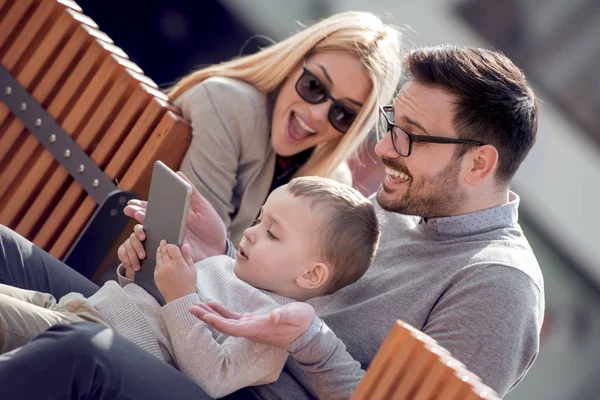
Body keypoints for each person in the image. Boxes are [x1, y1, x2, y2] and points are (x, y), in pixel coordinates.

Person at [0, 45, 544, 400]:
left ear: (479, 163)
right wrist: (224, 254)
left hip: (226, 385)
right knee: (7, 251)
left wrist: (311, 339)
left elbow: (301, 333)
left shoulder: (498, 288)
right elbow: (287, 291)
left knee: (77, 354)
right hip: (191, 345)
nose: (383, 148)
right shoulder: (401, 201)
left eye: (410, 135)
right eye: (390, 124)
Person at [0, 177, 379, 398]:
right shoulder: (227, 266)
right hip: (73, 307)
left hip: (90, 328)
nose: (249, 231)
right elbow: (151, 305)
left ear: (311, 276)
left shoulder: (271, 327)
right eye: (260, 219)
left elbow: (212, 377)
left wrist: (181, 295)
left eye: (272, 233)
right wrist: (138, 270)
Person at [149, 10, 402, 246]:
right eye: (314, 86)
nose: (317, 114)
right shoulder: (226, 105)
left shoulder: (333, 182)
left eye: (344, 113)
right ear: (293, 63)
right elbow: (197, 245)